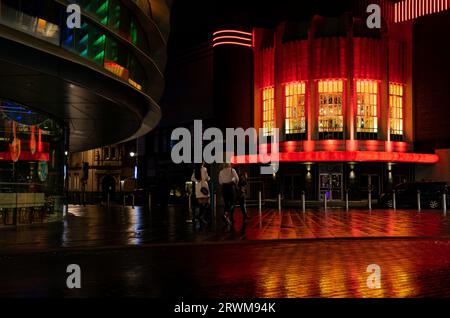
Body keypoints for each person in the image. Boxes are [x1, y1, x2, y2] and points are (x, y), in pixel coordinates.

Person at [191, 162, 211, 227]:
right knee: (207, 202)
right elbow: (206, 178)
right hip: (204, 187)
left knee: (200, 203)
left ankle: (199, 216)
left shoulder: (195, 169)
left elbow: (192, 178)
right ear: (202, 163)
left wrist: (197, 181)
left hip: (198, 188)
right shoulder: (204, 169)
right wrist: (208, 178)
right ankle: (200, 216)